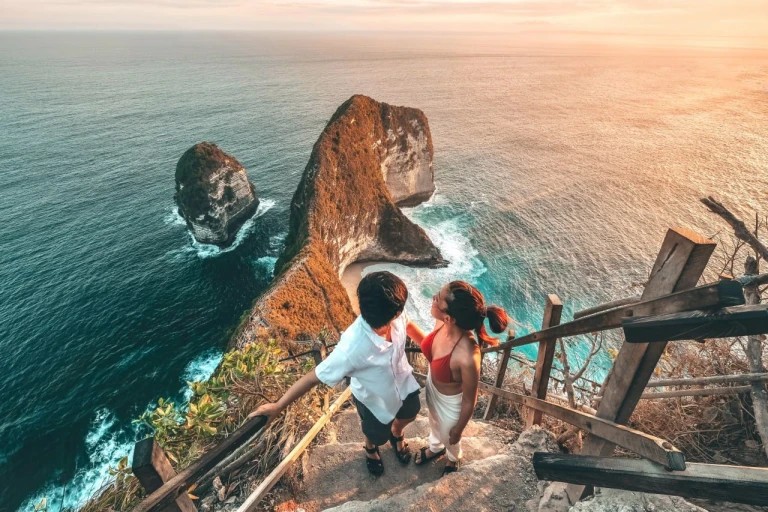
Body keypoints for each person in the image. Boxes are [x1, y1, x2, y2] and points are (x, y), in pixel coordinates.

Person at [249, 271, 423, 476]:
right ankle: (370, 448)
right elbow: (314, 376)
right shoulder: (351, 349)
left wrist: (432, 348)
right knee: (376, 435)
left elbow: (408, 325)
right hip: (373, 400)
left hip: (404, 381)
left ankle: (397, 433)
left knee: (412, 410)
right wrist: (278, 406)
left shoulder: (397, 315)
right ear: (394, 313)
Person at [408, 281, 509, 475]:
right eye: (438, 293)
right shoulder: (442, 323)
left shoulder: (468, 356)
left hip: (451, 406)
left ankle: (454, 458)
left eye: (439, 299)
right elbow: (431, 348)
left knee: (450, 437)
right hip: (433, 389)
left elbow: (470, 400)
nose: (433, 298)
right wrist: (406, 326)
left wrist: (459, 429)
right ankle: (435, 448)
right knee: (433, 424)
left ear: (449, 318)